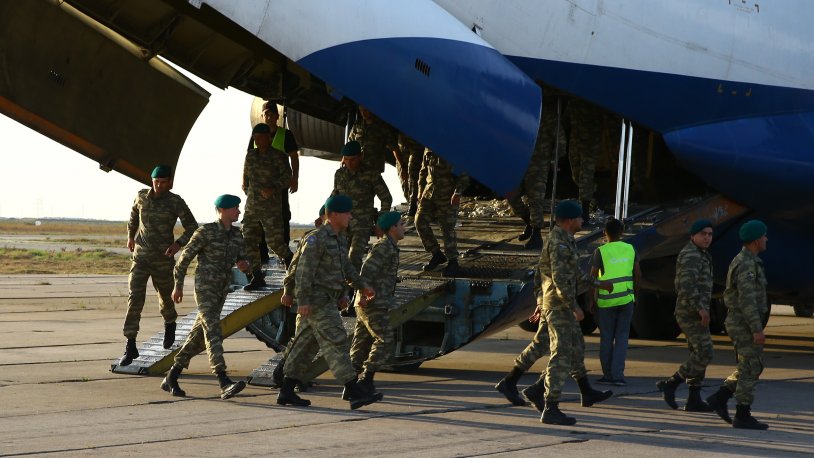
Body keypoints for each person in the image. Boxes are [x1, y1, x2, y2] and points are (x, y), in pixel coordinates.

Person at [276, 195, 383, 410]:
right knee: (337, 340)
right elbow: (303, 272)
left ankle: (286, 390)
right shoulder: (317, 239)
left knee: (306, 346)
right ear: (333, 215)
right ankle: (353, 390)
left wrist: (359, 287)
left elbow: (345, 269)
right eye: (347, 213)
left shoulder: (340, 238)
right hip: (317, 301)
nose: (351, 216)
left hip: (327, 299)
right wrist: (303, 300)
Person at [160, 194, 250, 400]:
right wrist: (178, 287)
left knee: (198, 335)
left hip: (221, 289)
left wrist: (245, 265)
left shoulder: (237, 234)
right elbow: (184, 259)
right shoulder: (205, 231)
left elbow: (243, 259)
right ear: (223, 210)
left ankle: (172, 375)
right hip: (205, 288)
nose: (239, 211)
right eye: (235, 208)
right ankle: (223, 380)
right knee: (213, 330)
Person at [539, 200, 614, 425]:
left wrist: (599, 283)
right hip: (559, 305)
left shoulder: (566, 240)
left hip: (562, 304)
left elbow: (576, 274)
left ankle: (586, 391)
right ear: (570, 220)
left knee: (577, 348)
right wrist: (574, 306)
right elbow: (560, 279)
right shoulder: (558, 243)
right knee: (561, 355)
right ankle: (550, 407)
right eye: (580, 217)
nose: (583, 220)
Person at [119, 165, 198, 366]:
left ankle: (170, 323)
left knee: (165, 296)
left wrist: (178, 244)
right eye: (156, 182)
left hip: (163, 259)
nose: (159, 186)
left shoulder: (175, 201)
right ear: (151, 181)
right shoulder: (141, 197)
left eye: (163, 182)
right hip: (140, 258)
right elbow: (133, 216)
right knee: (135, 298)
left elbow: (192, 227)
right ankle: (130, 344)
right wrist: (130, 236)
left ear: (169, 182)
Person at [705, 220, 770, 430]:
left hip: (743, 321)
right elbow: (747, 299)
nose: (766, 239)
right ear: (756, 240)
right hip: (743, 323)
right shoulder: (747, 265)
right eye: (764, 235)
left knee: (751, 366)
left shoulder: (750, 261)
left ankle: (720, 397)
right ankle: (742, 414)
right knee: (751, 367)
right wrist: (756, 329)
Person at [656, 219, 715, 411]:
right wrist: (700, 308)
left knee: (697, 353)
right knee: (705, 352)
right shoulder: (691, 255)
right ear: (693, 235)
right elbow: (686, 286)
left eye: (710, 234)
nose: (707, 237)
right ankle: (671, 383)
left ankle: (694, 398)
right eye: (703, 234)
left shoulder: (701, 254)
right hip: (690, 312)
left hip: (697, 311)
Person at [271, 205, 328, 388]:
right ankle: (282, 374)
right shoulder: (312, 239)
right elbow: (295, 267)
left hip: (322, 299)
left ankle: (294, 377)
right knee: (301, 340)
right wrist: (288, 291)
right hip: (308, 298)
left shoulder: (335, 239)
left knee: (309, 341)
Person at [349, 211, 404, 393]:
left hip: (369, 302)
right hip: (373, 303)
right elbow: (367, 270)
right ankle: (366, 379)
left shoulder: (389, 246)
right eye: (401, 224)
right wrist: (364, 295)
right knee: (385, 340)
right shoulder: (384, 247)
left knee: (361, 345)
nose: (404, 228)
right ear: (393, 228)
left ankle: (350, 385)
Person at [507, 93, 565, 250]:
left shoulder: (548, 116)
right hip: (519, 162)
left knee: (535, 199)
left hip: (539, 163)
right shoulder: (519, 112)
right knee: (511, 194)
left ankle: (537, 234)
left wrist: (553, 160)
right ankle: (529, 222)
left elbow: (560, 141)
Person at [588, 217, 641, 386]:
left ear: (605, 232)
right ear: (622, 232)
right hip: (626, 299)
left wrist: (591, 300)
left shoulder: (600, 251)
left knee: (606, 338)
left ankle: (608, 375)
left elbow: (592, 278)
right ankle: (618, 376)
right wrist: (635, 295)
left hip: (606, 302)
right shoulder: (630, 249)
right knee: (622, 338)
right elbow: (638, 274)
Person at [242, 123, 295, 290]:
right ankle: (257, 276)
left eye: (261, 137)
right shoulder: (251, 155)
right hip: (252, 207)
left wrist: (273, 188)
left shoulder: (279, 156)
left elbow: (287, 178)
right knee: (249, 240)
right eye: (255, 138)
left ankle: (291, 262)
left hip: (271, 208)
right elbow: (245, 177)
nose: (258, 141)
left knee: (274, 242)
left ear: (269, 138)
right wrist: (247, 189)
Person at [247, 102, 301, 263]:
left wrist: (295, 178)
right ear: (262, 116)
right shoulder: (256, 134)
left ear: (277, 116)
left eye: (272, 114)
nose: (269, 117)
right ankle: (262, 256)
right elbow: (248, 161)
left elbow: (294, 157)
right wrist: (245, 183)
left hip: (277, 188)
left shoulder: (285, 134)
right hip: (257, 193)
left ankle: (285, 256)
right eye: (266, 114)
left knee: (281, 219)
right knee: (254, 227)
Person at [332, 140, 393, 272]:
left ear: (360, 156)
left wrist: (381, 223)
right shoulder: (340, 174)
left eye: (352, 159)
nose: (349, 163)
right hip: (342, 225)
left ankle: (353, 285)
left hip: (362, 225)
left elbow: (386, 198)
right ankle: (344, 284)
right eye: (346, 159)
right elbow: (334, 196)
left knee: (354, 257)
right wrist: (323, 214)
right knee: (339, 259)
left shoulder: (371, 174)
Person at [414, 149, 469, 277]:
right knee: (419, 221)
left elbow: (464, 174)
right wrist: (420, 190)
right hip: (429, 194)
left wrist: (457, 193)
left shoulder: (451, 148)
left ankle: (453, 262)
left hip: (447, 195)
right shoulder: (428, 148)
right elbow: (423, 171)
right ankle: (436, 253)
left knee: (447, 228)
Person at [494, 307, 549, 411]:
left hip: (558, 307)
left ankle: (512, 382)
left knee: (569, 349)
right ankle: (536, 389)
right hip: (559, 308)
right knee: (564, 351)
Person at [567, 98, 602, 222]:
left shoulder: (593, 99)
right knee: (576, 175)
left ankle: (585, 211)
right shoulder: (573, 99)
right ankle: (594, 195)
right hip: (576, 139)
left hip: (590, 139)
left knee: (586, 175)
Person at [348, 105, 398, 177]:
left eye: (366, 110)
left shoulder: (382, 127)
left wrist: (402, 165)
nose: (363, 113)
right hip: (358, 166)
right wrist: (345, 159)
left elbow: (394, 147)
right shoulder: (358, 125)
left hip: (374, 168)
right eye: (361, 110)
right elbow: (350, 144)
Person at [394, 133, 424, 217]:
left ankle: (413, 208)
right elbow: (394, 147)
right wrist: (402, 166)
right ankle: (411, 205)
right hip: (402, 153)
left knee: (414, 180)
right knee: (405, 182)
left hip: (416, 150)